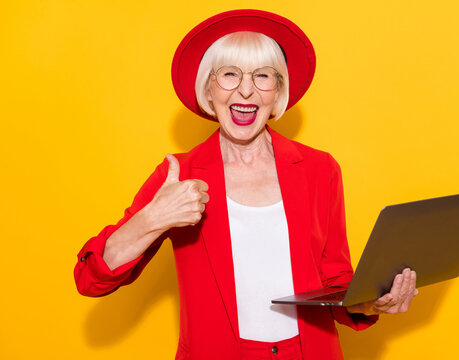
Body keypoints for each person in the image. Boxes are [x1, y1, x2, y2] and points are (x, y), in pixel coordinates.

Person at [74, 9, 418, 360]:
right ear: (208, 89)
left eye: (263, 76)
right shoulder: (179, 174)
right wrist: (152, 218)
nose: (246, 89)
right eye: (229, 74)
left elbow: (335, 283)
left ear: (278, 90)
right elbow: (90, 278)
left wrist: (374, 302)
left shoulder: (319, 169)